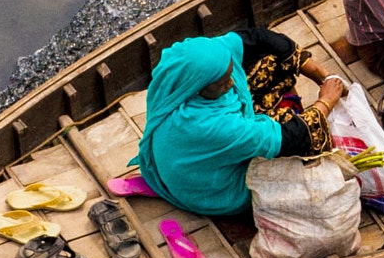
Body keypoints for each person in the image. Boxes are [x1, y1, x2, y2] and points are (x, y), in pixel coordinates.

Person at [137, 26, 345, 218]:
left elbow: (260, 38)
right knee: (308, 146)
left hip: (191, 160)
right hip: (217, 192)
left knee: (272, 59)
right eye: (222, 82)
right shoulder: (209, 126)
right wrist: (326, 101)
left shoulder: (181, 71)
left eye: (229, 74)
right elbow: (294, 137)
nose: (232, 82)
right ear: (198, 87)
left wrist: (316, 71)